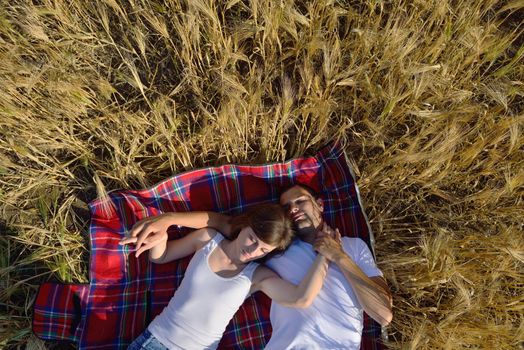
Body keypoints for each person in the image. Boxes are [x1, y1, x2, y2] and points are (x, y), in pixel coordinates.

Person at [126, 184, 393, 349]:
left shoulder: (354, 246)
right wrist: (168, 220)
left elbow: (383, 314)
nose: (294, 209)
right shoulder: (278, 245)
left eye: (300, 201)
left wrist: (337, 255)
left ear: (319, 205)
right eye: (286, 207)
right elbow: (223, 224)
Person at [119, 203, 329, 350]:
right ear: (245, 225)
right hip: (156, 341)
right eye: (252, 239)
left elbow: (300, 298)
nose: (253, 251)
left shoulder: (257, 276)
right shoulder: (208, 239)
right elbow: (162, 256)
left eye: (263, 250)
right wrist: (161, 237)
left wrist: (326, 255)